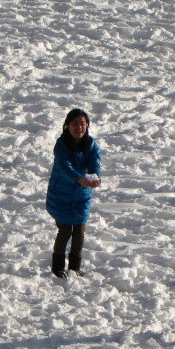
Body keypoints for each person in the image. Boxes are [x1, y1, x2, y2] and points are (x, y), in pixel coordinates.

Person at [46, 108, 101, 278]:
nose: (79, 127)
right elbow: (64, 166)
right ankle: (57, 268)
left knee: (79, 232)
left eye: (82, 124)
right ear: (67, 126)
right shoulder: (61, 145)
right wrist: (79, 179)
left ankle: (75, 267)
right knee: (64, 231)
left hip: (81, 197)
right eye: (75, 124)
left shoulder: (90, 144)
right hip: (61, 195)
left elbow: (94, 161)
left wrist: (94, 177)